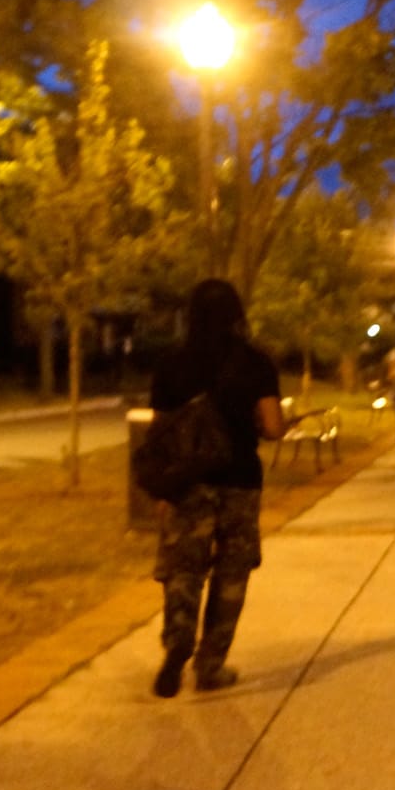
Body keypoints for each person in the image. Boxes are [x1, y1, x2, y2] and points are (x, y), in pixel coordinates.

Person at [148, 279, 283, 698]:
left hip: (188, 484)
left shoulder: (170, 363)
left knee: (184, 568)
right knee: (231, 574)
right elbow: (273, 426)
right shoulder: (256, 362)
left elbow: (160, 433)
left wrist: (162, 493)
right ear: (237, 314)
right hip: (240, 481)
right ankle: (211, 665)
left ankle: (178, 641)